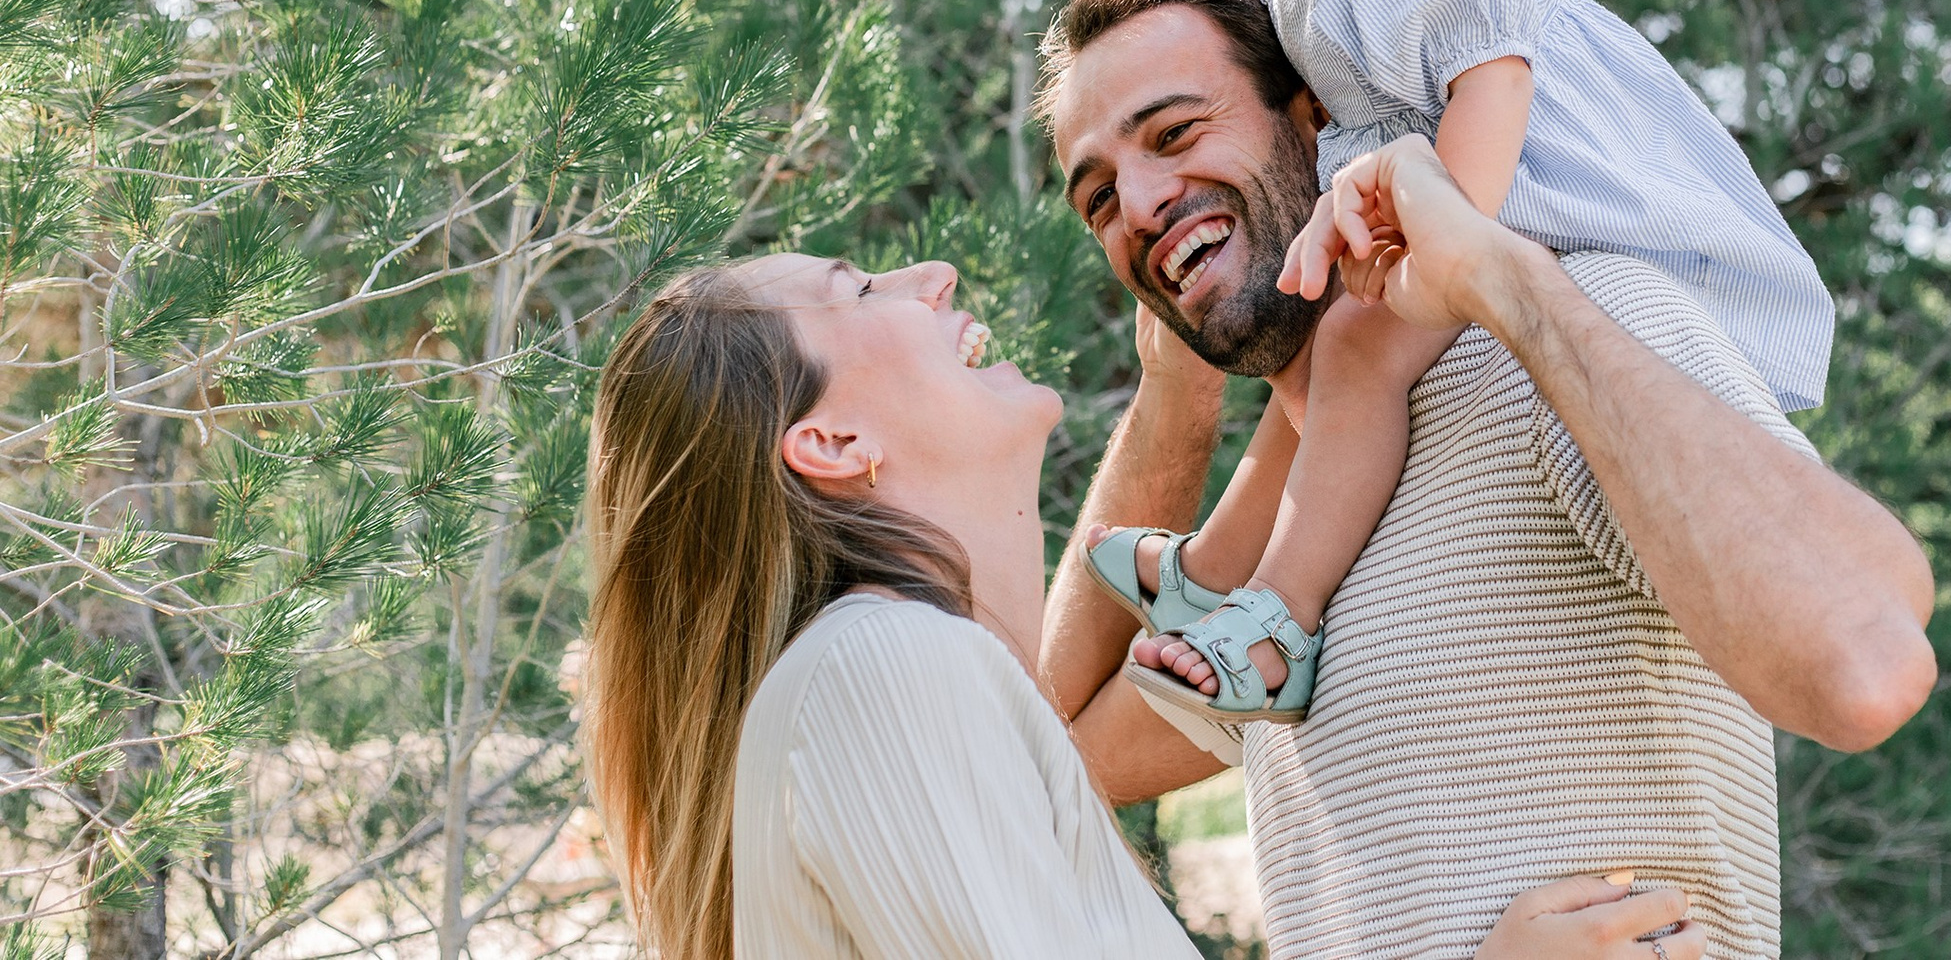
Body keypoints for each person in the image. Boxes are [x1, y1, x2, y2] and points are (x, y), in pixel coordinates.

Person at [1038, 0, 1937, 960]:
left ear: (1317, 118)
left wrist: (1504, 281)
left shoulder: (1569, 337)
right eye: (1101, 200)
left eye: (1175, 133)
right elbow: (1044, 764)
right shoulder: (1285, 547)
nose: (1144, 202)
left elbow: (1865, 659)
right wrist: (1174, 393)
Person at [1090, 0, 1836, 730]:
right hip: (1465, 210)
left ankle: (1280, 619)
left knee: (1352, 352)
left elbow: (1494, 67)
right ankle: (1220, 570)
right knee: (1319, 356)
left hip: (1563, 213)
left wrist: (1454, 238)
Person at [578, 252, 1727, 960]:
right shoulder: (882, 668)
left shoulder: (878, 678)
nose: (932, 276)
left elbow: (1065, 719)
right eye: (857, 289)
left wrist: (1250, 388)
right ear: (830, 443)